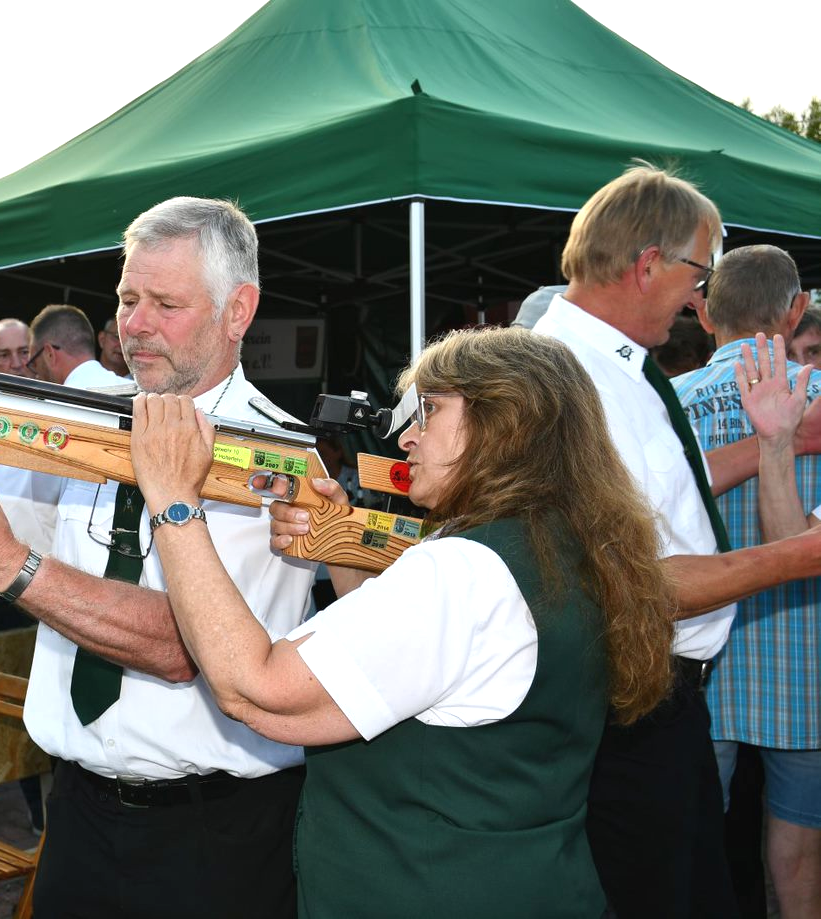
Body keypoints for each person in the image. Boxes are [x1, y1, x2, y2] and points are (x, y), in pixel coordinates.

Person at [0, 197, 318, 918]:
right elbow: (31, 526)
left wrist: (5, 563)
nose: (134, 326)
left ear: (238, 311)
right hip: (78, 811)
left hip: (213, 833)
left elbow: (182, 644)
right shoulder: (104, 419)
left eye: (165, 304)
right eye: (127, 300)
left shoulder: (275, 456)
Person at [134, 326, 674, 916]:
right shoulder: (561, 547)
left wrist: (174, 503)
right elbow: (416, 665)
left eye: (430, 410)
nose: (407, 437)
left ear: (505, 421)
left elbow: (256, 689)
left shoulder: (462, 570)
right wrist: (340, 546)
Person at [526, 162, 821, 918]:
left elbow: (664, 493)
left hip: (664, 703)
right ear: (647, 264)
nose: (699, 298)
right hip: (627, 705)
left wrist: (779, 442)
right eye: (699, 272)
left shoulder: (614, 364)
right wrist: (797, 555)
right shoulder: (569, 377)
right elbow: (638, 583)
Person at [673, 244, 821, 919]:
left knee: (688, 849)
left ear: (704, 313)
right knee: (799, 861)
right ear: (797, 310)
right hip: (807, 664)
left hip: (696, 658)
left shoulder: (667, 404)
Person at [26, 304, 128, 388]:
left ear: (50, 354)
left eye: (34, 363)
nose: (36, 375)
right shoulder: (134, 394)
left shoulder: (52, 404)